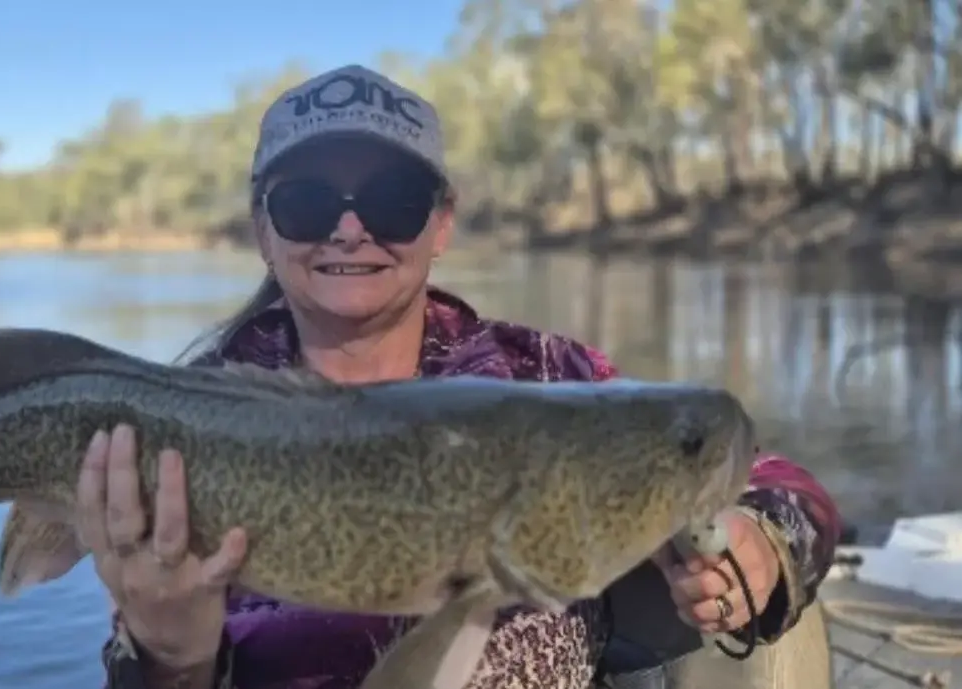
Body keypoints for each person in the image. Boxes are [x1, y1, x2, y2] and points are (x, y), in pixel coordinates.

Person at [77, 64, 842, 689]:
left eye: (392, 201)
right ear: (262, 229)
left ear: (441, 222)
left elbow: (771, 476)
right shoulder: (181, 422)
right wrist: (169, 659)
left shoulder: (546, 377)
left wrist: (760, 543)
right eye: (308, 203)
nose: (350, 228)